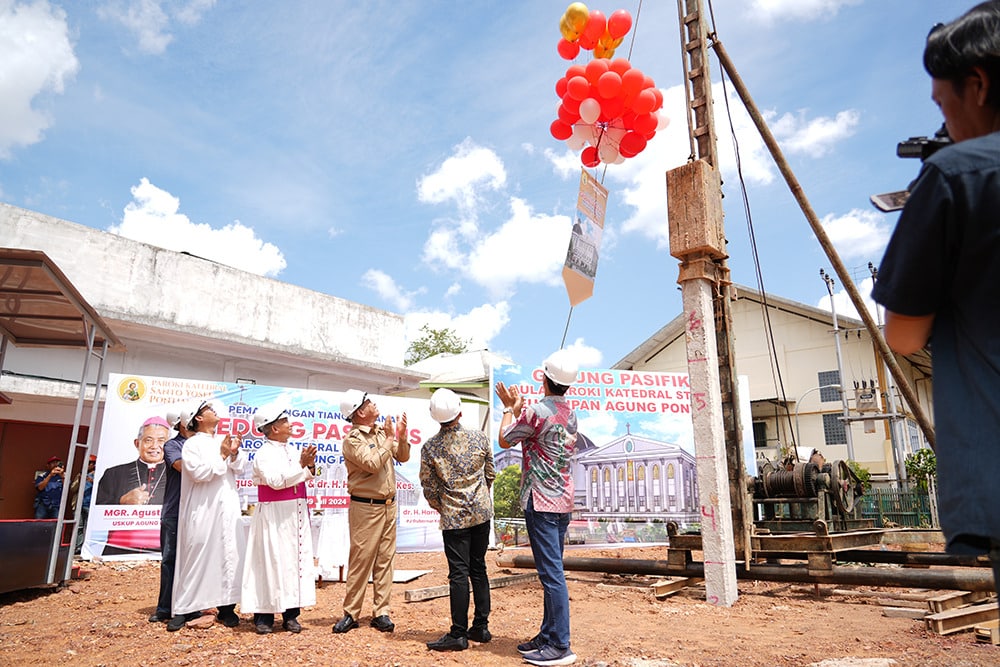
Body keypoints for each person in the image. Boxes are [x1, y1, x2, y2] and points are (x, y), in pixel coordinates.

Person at [872, 1, 1000, 601]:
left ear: (977, 84)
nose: (943, 113)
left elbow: (904, 335)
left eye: (943, 99)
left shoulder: (957, 176)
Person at [495, 349, 580, 667]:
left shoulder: (536, 411)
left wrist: (509, 408)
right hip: (562, 500)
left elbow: (505, 439)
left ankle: (560, 645)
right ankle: (547, 634)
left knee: (551, 574)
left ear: (544, 378)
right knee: (552, 571)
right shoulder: (571, 414)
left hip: (541, 500)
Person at [419, 388, 495, 652]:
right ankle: (481, 627)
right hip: (481, 514)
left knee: (459, 574)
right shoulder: (480, 438)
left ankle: (458, 633)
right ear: (460, 411)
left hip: (454, 519)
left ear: (435, 417)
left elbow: (428, 487)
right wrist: (479, 499)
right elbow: (490, 474)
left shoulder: (430, 447)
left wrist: (444, 507)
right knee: (479, 568)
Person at [332, 389, 409, 635]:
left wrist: (401, 437)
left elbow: (403, 456)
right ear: (360, 411)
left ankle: (381, 612)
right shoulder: (353, 439)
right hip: (366, 507)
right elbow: (373, 464)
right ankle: (351, 613)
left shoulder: (379, 432)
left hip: (388, 505)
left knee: (385, 560)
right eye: (368, 402)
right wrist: (388, 439)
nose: (373, 404)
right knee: (361, 560)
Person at [168, 400, 249, 632]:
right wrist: (223, 455)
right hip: (203, 508)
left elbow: (240, 467)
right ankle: (185, 608)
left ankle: (227, 608)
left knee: (229, 554)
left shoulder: (223, 439)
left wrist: (233, 454)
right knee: (197, 555)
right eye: (208, 410)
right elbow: (198, 473)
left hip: (228, 507)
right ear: (198, 418)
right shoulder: (192, 445)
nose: (214, 412)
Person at [241, 405, 318, 635]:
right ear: (274, 427)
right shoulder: (264, 453)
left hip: (296, 511)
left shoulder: (293, 450)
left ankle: (291, 614)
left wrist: (310, 465)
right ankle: (264, 615)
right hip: (274, 513)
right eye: (285, 421)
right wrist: (302, 466)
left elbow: (306, 475)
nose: (290, 424)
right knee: (269, 560)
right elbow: (275, 481)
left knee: (294, 562)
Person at [149, 404, 197, 623]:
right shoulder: (172, 445)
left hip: (196, 511)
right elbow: (181, 466)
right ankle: (165, 608)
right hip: (175, 512)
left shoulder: (201, 445)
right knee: (170, 559)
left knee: (194, 560)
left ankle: (192, 605)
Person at [95, 416, 170, 506]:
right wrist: (122, 501)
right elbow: (97, 509)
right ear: (137, 443)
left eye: (161, 441)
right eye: (148, 440)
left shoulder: (178, 476)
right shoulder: (113, 474)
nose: (154, 446)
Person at [70, 454, 97, 553]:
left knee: (88, 527)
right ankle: (78, 547)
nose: (89, 465)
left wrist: (92, 481)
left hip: (90, 505)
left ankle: (88, 548)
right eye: (88, 463)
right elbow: (72, 489)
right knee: (79, 527)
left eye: (91, 463)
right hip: (78, 505)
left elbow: (103, 489)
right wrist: (79, 480)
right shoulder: (80, 474)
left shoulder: (98, 475)